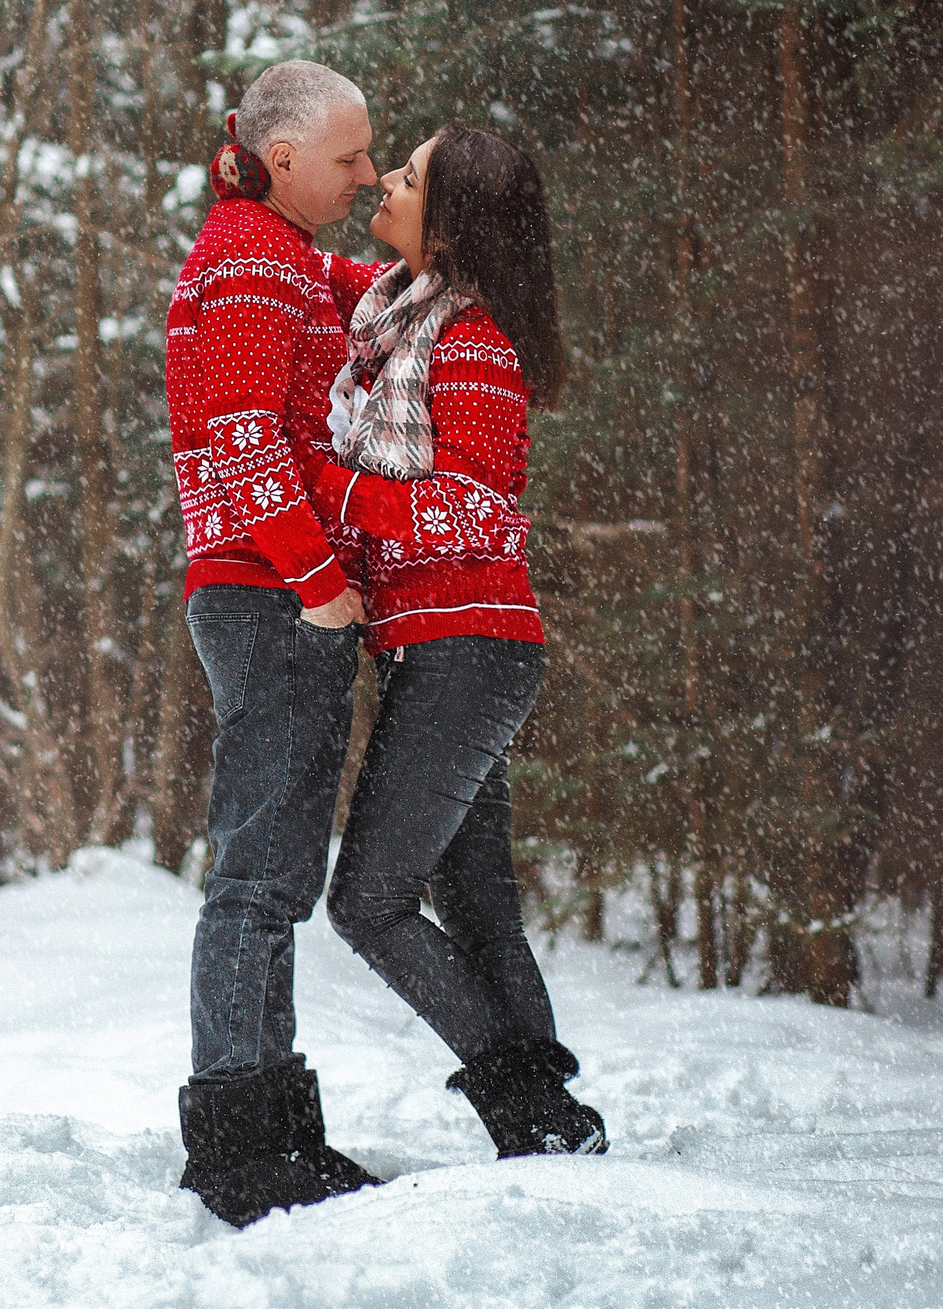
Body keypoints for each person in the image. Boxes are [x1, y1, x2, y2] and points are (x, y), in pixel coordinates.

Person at [312, 124, 608, 1161]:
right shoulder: (396, 316)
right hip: (441, 650)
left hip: (466, 651)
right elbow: (314, 269)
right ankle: (549, 1129)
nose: (382, 183)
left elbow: (472, 513)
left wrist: (329, 489)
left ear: (448, 224)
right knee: (476, 907)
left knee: (368, 902)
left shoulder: (469, 341)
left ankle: (528, 1100)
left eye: (404, 176)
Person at [165, 60, 386, 1227]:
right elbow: (241, 432)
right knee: (257, 875)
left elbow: (376, 288)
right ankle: (242, 1155)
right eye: (350, 159)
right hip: (265, 595)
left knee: (278, 870)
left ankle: (275, 1134)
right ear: (284, 157)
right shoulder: (251, 261)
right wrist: (316, 583)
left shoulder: (284, 256)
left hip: (272, 594)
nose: (363, 175)